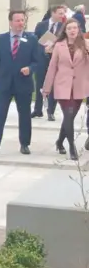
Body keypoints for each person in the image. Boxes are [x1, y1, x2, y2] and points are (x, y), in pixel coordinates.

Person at [0, 10, 40, 157]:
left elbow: (37, 61)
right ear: (10, 22)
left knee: (25, 115)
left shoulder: (32, 39)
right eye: (17, 20)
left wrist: (30, 68)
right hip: (4, 84)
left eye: (22, 20)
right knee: (0, 114)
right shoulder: (1, 39)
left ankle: (24, 143)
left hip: (23, 84)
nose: (20, 23)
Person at [43, 18, 89, 161]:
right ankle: (71, 146)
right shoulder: (59, 46)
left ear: (78, 29)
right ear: (65, 30)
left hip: (79, 87)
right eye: (69, 28)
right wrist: (46, 88)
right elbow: (52, 67)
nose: (72, 31)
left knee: (70, 117)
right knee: (68, 115)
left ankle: (59, 141)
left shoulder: (85, 44)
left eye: (75, 28)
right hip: (62, 85)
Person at [33, 4, 66, 120]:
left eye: (63, 13)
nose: (63, 16)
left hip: (56, 60)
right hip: (41, 59)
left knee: (53, 86)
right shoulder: (41, 25)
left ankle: (50, 111)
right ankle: (37, 110)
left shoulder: (64, 26)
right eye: (60, 13)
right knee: (39, 85)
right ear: (53, 13)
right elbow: (34, 40)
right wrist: (42, 48)